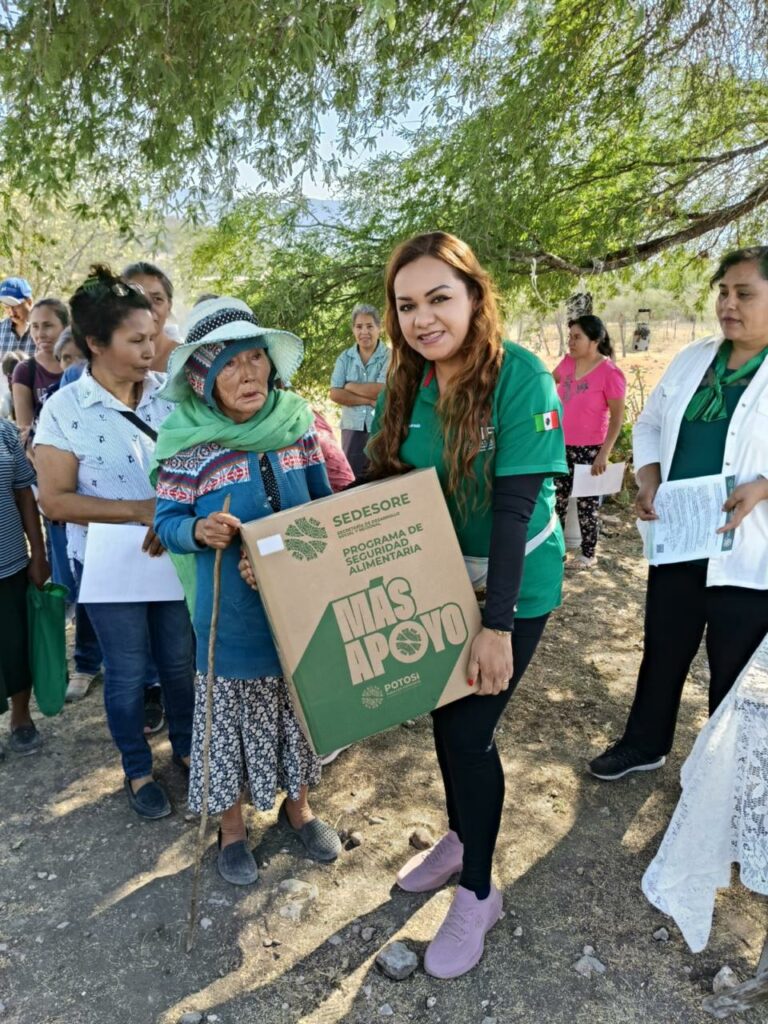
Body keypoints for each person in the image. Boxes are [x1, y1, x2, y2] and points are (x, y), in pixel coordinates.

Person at [365, 232, 567, 978]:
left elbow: (513, 512)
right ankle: (459, 838)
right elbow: (378, 485)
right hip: (438, 580)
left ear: (476, 296)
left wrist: (496, 627)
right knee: (443, 720)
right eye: (406, 305)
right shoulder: (407, 380)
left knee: (470, 732)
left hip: (513, 583)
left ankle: (479, 891)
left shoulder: (521, 377)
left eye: (439, 299)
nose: (422, 319)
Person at [153, 297, 342, 885]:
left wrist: (288, 558)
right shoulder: (187, 448)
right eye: (230, 364)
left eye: (255, 357)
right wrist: (198, 531)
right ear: (202, 379)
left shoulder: (298, 428)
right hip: (229, 618)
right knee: (230, 724)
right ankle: (232, 830)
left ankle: (299, 807)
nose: (248, 373)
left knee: (299, 710)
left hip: (297, 607)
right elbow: (166, 523)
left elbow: (323, 511)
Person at [589, 245, 768, 781]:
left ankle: (721, 777)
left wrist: (762, 488)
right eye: (723, 292)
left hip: (747, 554)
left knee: (732, 668)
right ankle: (644, 744)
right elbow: (649, 424)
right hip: (682, 538)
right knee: (663, 648)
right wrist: (649, 477)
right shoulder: (695, 358)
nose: (728, 304)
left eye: (744, 294)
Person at [34, 264, 194, 818]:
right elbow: (55, 502)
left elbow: (197, 464)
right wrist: (137, 511)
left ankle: (188, 751)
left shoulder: (170, 397)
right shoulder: (65, 410)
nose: (151, 349)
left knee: (179, 663)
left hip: (173, 554)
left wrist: (173, 512)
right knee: (127, 671)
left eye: (153, 336)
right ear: (96, 344)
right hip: (109, 566)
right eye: (137, 340)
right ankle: (137, 769)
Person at [553, 315, 626, 568]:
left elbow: (617, 418)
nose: (571, 342)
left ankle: (588, 555)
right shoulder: (566, 363)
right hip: (560, 445)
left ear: (594, 341)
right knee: (557, 501)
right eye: (570, 336)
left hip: (591, 450)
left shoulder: (610, 373)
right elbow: (548, 381)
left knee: (587, 506)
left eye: (577, 337)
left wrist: (604, 453)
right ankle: (556, 552)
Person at [0, 417, 49, 758]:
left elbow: (24, 494)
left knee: (16, 646)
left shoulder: (3, 431)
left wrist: (39, 553)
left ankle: (21, 717)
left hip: (10, 563)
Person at [329, 304, 389, 480]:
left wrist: (350, 386)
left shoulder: (390, 356)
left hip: (381, 425)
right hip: (351, 427)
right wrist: (368, 400)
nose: (364, 332)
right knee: (353, 479)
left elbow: (382, 391)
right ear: (353, 329)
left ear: (379, 328)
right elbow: (335, 394)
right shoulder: (344, 358)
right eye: (359, 326)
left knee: (382, 476)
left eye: (369, 326)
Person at [11, 299, 68, 449]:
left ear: (66, 327)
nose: (40, 334)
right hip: (42, 457)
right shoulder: (24, 370)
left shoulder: (83, 366)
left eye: (48, 326)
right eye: (35, 326)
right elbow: (25, 433)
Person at [122, 262, 179, 372]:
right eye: (136, 298)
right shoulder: (109, 359)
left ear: (169, 307)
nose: (148, 308)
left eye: (157, 299)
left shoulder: (187, 360)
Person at [0, 277, 34, 356]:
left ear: (29, 302)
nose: (12, 313)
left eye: (15, 306)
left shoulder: (45, 330)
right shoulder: (1, 329)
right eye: (7, 307)